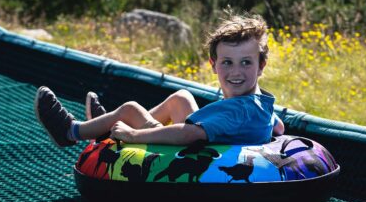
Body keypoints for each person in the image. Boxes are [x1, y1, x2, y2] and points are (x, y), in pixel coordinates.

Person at [34, 11, 285, 147]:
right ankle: (106, 128)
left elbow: (188, 135)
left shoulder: (237, 111)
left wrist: (133, 135)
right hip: (213, 141)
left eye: (246, 62)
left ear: (261, 65)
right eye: (227, 62)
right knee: (182, 97)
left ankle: (71, 131)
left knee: (130, 109)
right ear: (214, 65)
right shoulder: (259, 104)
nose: (236, 72)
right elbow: (278, 128)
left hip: (193, 152)